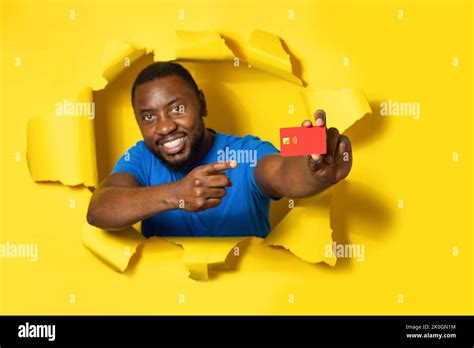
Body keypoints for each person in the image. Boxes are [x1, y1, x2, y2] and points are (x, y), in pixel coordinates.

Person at [87, 62, 352, 238]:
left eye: (177, 109)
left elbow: (282, 172)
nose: (165, 127)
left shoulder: (245, 152)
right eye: (148, 117)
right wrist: (177, 194)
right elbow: (99, 209)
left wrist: (314, 172)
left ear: (201, 104)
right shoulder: (141, 157)